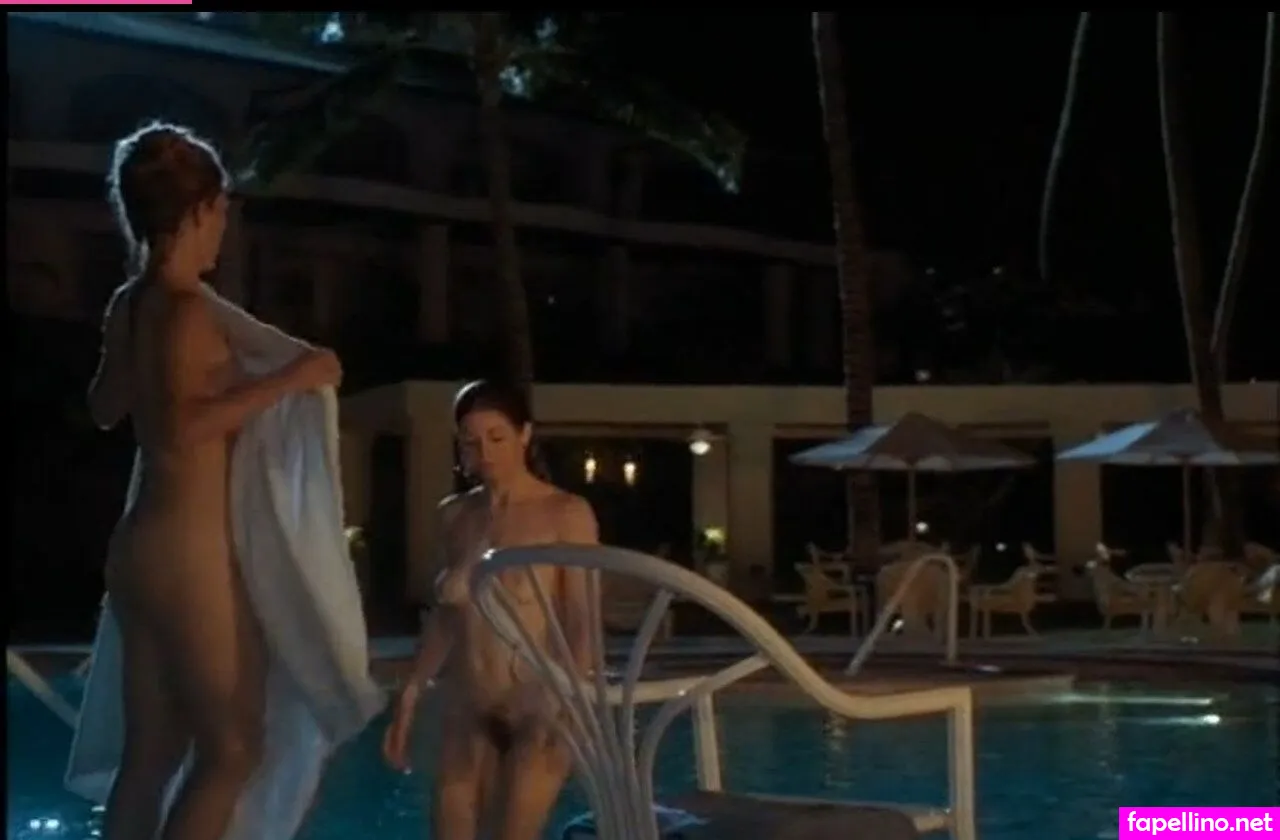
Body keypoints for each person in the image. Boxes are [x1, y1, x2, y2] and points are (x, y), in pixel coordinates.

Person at [87, 121, 342, 840]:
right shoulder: (187, 310)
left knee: (152, 752)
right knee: (233, 748)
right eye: (222, 209)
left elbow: (104, 407)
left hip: (138, 549)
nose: (225, 225)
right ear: (197, 210)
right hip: (187, 551)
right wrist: (294, 376)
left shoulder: (130, 303)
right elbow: (183, 428)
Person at [382, 379, 601, 840]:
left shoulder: (565, 513)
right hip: (471, 703)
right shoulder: (455, 515)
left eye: (497, 437)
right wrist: (411, 694)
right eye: (471, 440)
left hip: (535, 705)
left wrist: (571, 699)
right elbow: (446, 618)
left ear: (525, 434)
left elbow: (580, 618)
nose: (485, 451)